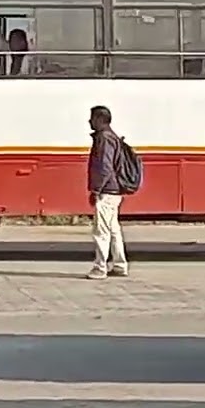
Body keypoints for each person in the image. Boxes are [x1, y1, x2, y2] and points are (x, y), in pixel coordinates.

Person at [86, 105, 128, 280]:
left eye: (92, 118)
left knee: (101, 230)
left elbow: (105, 167)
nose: (89, 121)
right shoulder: (112, 137)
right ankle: (119, 265)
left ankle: (100, 267)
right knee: (113, 229)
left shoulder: (104, 138)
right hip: (114, 190)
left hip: (107, 191)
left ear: (100, 120)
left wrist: (96, 189)